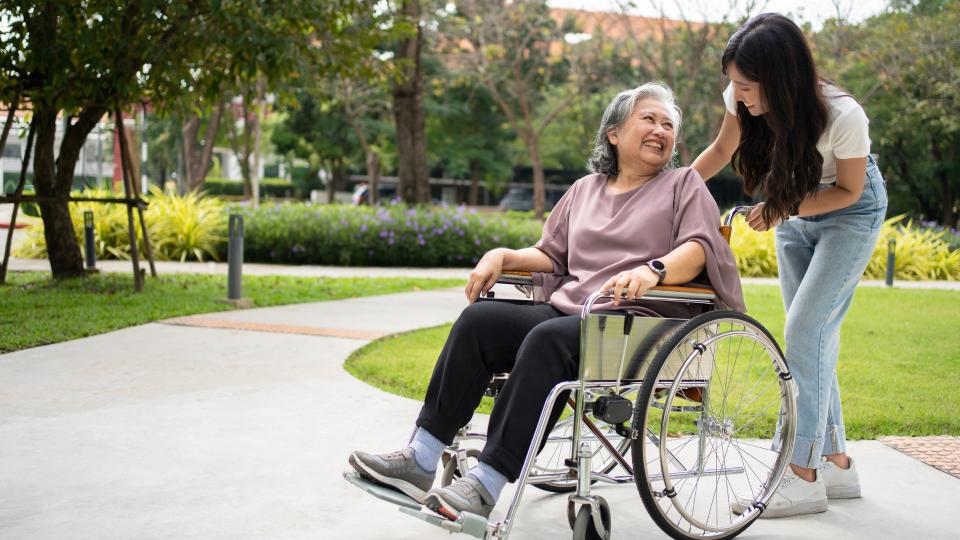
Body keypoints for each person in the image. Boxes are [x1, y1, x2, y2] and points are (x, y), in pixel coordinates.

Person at [349, 82, 745, 521]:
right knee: (478, 322)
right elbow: (551, 254)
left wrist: (652, 270)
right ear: (613, 133)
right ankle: (421, 459)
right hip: (571, 312)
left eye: (668, 125)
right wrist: (502, 255)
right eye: (648, 119)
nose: (660, 131)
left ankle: (486, 482)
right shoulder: (584, 189)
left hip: (637, 321)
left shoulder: (682, 184)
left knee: (547, 338)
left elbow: (698, 249)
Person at [691, 13, 888, 518]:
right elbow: (721, 148)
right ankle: (837, 462)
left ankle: (801, 477)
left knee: (804, 330)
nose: (739, 95)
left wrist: (783, 207)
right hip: (793, 205)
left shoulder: (844, 115)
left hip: (850, 212)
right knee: (813, 338)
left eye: (747, 86)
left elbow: (847, 190)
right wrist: (672, 189)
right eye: (733, 83)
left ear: (780, 79)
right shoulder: (741, 97)